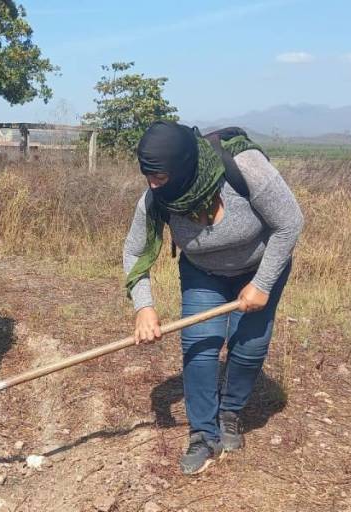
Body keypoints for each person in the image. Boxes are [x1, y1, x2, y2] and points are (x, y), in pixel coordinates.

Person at [123, 121, 303, 475]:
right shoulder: (156, 198)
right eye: (149, 176)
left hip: (261, 266)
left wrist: (263, 283)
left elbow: (290, 222)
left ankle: (230, 413)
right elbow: (134, 252)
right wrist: (144, 307)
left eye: (160, 176)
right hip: (202, 272)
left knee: (249, 346)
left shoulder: (244, 168)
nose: (153, 185)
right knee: (199, 345)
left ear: (184, 167)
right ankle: (203, 433)